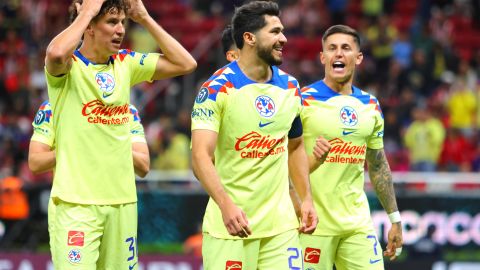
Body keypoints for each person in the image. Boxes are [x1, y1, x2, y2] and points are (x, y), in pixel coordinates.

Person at [42, 0, 196, 268]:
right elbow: (55, 54)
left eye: (123, 23)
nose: (121, 30)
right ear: (89, 27)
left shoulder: (126, 62)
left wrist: (145, 18)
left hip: (122, 203)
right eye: (112, 22)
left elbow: (186, 63)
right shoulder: (68, 67)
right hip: (76, 205)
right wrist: (88, 11)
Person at [191, 1, 317, 269]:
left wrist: (305, 199)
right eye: (274, 32)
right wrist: (226, 205)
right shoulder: (217, 89)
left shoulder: (291, 88)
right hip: (231, 225)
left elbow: (295, 148)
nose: (283, 38)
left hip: (281, 229)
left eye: (282, 31)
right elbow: (201, 157)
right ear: (249, 38)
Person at [299, 24, 403, 270]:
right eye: (332, 48)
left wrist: (395, 219)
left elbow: (378, 165)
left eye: (346, 48)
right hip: (312, 224)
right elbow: (283, 159)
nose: (338, 54)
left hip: (357, 225)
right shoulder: (302, 100)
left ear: (358, 58)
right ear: (322, 57)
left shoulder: (370, 105)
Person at [29, 100, 149, 177]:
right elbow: (35, 163)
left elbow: (144, 166)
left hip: (119, 206)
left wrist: (112, 143)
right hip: (72, 207)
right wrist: (77, 146)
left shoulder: (127, 111)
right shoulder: (51, 109)